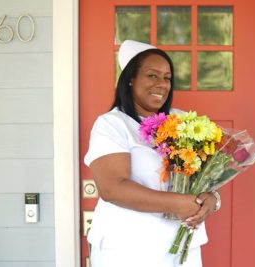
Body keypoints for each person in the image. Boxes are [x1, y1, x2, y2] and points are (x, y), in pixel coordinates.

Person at [84, 40, 220, 267]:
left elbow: (204, 177)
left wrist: (211, 199)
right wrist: (177, 204)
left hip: (183, 248)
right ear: (130, 79)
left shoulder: (182, 120)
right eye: (152, 76)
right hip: (128, 250)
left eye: (167, 78)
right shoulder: (112, 124)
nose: (162, 84)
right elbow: (113, 188)